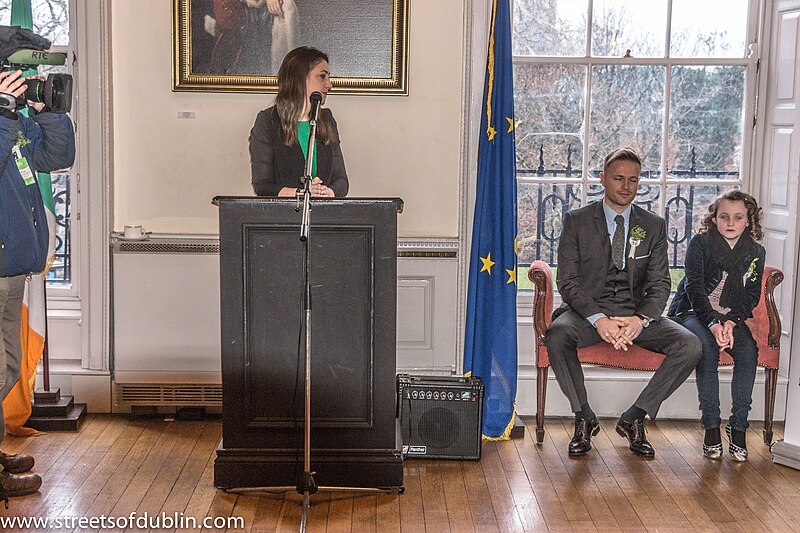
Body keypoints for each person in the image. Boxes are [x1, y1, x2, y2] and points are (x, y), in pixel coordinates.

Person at [544, 147, 701, 458]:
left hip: (635, 316)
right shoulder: (577, 221)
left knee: (690, 345)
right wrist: (598, 318)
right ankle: (584, 417)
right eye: (618, 178)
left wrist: (639, 320)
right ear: (603, 179)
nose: (626, 186)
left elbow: (660, 284)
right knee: (558, 334)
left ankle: (634, 417)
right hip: (587, 316)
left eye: (633, 179)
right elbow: (568, 282)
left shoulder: (653, 225)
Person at [0, 69, 76, 502]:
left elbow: (55, 157)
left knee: (9, 368)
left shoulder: (14, 118)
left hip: (14, 264)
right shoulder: (4, 117)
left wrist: (50, 114)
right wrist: (4, 114)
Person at [668, 191, 766, 461]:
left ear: (748, 221)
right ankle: (712, 426)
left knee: (748, 353)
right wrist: (712, 323)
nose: (730, 222)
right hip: (694, 312)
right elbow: (695, 289)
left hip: (731, 318)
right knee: (707, 349)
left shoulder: (755, 252)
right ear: (714, 218)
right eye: (724, 217)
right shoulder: (700, 244)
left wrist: (732, 324)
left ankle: (738, 428)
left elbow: (750, 296)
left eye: (738, 217)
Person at [250, 46, 348, 198]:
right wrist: (300, 194)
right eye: (322, 76)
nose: (329, 84)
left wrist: (326, 192)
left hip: (325, 215)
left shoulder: (327, 119)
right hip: (284, 216)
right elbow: (262, 185)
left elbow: (341, 181)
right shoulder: (268, 121)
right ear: (300, 78)